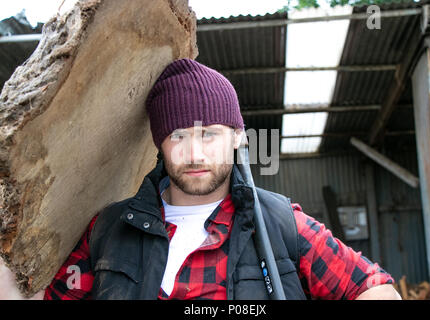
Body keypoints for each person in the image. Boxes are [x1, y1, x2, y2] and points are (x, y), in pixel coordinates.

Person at [0, 58, 400, 300]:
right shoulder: (108, 229)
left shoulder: (282, 225)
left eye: (209, 133)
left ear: (238, 138)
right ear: (160, 143)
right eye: (179, 136)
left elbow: (375, 288)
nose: (194, 153)